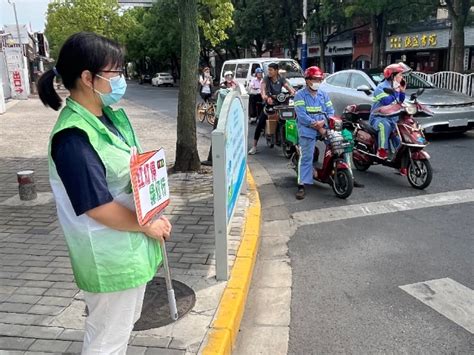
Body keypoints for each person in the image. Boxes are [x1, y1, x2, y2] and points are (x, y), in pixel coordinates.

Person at [37, 32, 172, 354]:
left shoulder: (107, 119)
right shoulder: (73, 137)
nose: (121, 79)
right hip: (109, 257)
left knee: (116, 331)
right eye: (116, 73)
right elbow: (96, 206)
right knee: (106, 342)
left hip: (128, 249)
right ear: (88, 77)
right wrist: (147, 224)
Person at [294, 66, 334, 200]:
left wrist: (323, 122)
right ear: (307, 80)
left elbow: (330, 112)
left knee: (339, 145)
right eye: (314, 79)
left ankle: (342, 173)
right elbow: (301, 115)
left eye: (319, 79)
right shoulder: (300, 95)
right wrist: (317, 126)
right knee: (306, 157)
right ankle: (301, 184)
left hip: (322, 126)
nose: (317, 82)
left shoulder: (324, 94)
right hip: (307, 129)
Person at [248, 62, 295, 155]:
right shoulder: (266, 79)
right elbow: (262, 89)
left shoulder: (281, 79)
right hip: (269, 104)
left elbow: (289, 87)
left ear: (276, 70)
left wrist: (293, 92)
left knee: (291, 119)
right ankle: (254, 146)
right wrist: (265, 96)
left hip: (281, 103)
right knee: (260, 123)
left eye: (271, 70)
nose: (269, 72)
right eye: (268, 70)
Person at [370, 63, 408, 166]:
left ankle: (401, 160)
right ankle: (382, 150)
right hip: (378, 117)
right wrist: (396, 91)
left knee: (401, 131)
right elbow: (386, 101)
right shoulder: (381, 87)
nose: (402, 77)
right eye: (400, 75)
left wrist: (402, 91)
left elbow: (400, 101)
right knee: (385, 126)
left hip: (392, 117)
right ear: (392, 76)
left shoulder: (396, 86)